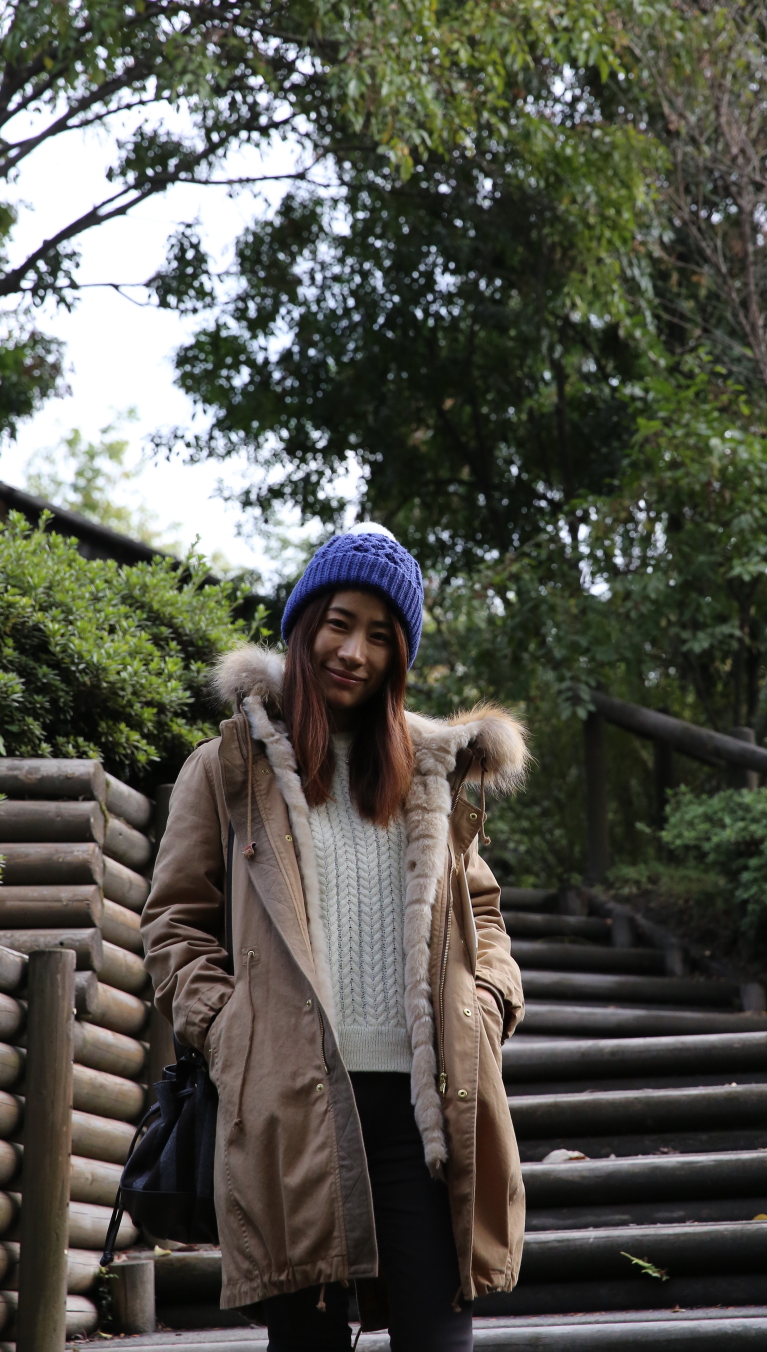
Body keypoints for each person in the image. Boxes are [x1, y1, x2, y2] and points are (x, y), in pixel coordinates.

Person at [141, 525, 528, 1351]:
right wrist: (229, 1028)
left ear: (400, 657)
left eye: (380, 636)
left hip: (426, 1115)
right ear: (304, 625)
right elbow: (175, 921)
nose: (354, 651)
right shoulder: (229, 766)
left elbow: (483, 915)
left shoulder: (432, 773)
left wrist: (487, 1004)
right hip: (290, 1105)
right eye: (339, 624)